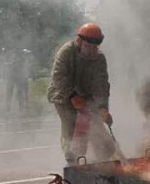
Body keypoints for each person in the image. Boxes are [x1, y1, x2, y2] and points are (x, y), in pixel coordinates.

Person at [47, 23, 116, 165]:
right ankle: (72, 160)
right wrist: (72, 96)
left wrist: (103, 108)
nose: (91, 51)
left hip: (86, 96)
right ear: (79, 41)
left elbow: (101, 85)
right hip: (63, 96)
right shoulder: (66, 52)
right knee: (71, 125)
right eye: (88, 46)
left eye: (94, 47)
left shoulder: (99, 58)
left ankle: (105, 159)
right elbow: (59, 77)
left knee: (97, 128)